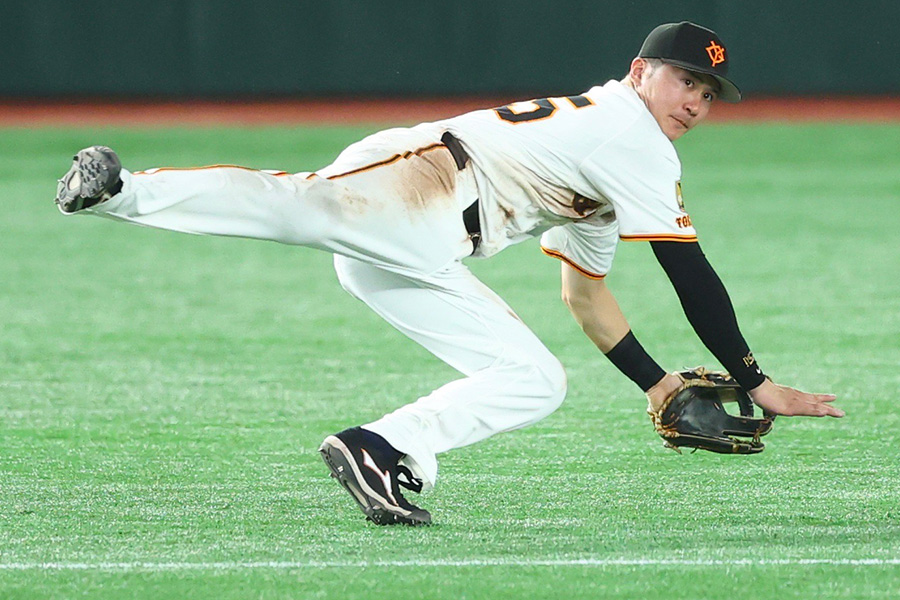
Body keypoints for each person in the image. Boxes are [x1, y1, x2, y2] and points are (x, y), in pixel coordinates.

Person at [55, 21, 843, 527]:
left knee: (535, 379)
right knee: (294, 206)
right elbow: (688, 271)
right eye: (684, 81)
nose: (696, 102)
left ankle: (382, 448)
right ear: (640, 72)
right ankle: (121, 190)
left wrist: (656, 383)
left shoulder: (614, 175)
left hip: (426, 246)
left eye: (709, 93)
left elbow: (585, 294)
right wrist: (754, 376)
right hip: (426, 181)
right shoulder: (629, 135)